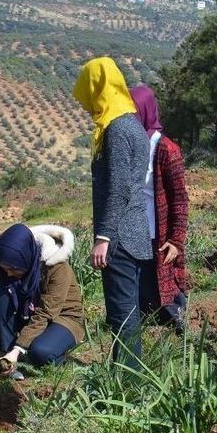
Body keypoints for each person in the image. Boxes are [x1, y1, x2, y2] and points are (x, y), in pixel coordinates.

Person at [72, 57, 155, 367]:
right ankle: (130, 376)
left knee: (122, 314)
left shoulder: (116, 129)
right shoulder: (132, 124)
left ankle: (127, 382)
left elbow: (119, 188)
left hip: (120, 237)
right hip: (135, 232)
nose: (84, 103)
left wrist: (103, 237)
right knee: (128, 311)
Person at [0, 224, 85, 379]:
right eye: (5, 269)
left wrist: (18, 349)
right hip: (30, 314)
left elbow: (46, 312)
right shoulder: (9, 272)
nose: (9, 273)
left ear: (25, 259)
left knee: (40, 353)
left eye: (14, 269)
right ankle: (6, 359)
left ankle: (41, 353)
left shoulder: (56, 267)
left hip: (63, 317)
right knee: (1, 295)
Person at [129, 85, 189, 332]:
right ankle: (149, 328)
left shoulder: (166, 149)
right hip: (137, 229)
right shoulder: (131, 145)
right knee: (143, 284)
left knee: (165, 281)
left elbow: (180, 199)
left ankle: (178, 325)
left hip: (159, 231)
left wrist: (176, 240)